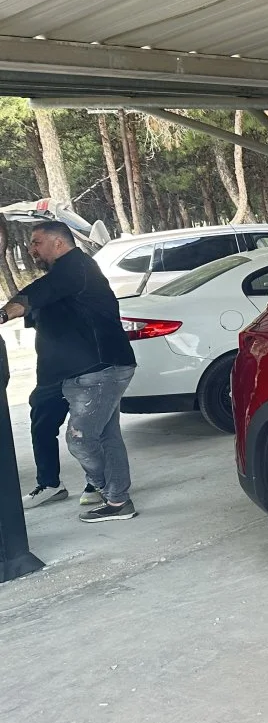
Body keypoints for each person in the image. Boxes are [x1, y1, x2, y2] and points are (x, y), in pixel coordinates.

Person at [2, 221, 138, 522]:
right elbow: (43, 302)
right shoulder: (64, 275)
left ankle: (108, 492)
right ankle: (117, 500)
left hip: (98, 369)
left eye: (36, 243)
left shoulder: (75, 267)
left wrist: (2, 313)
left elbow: (34, 295)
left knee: (80, 439)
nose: (31, 249)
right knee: (106, 436)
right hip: (79, 372)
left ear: (58, 243)